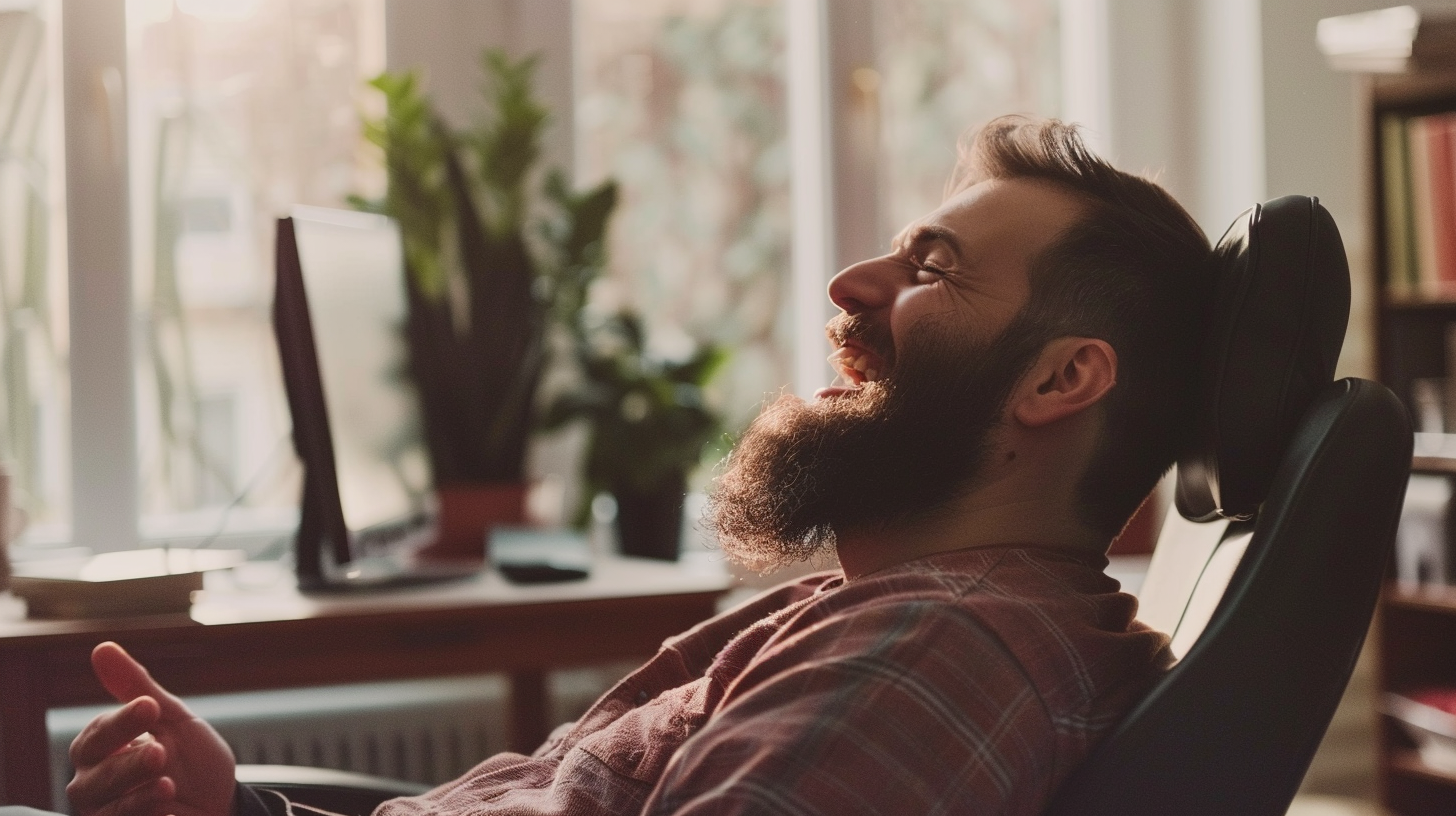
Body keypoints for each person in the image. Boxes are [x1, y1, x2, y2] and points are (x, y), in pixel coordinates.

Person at [57, 115, 1212, 816]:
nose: (849, 283)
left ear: (1060, 382)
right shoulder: (901, 613)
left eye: (933, 266)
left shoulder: (939, 656)